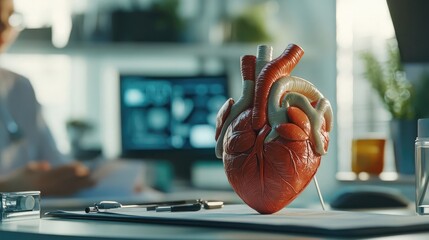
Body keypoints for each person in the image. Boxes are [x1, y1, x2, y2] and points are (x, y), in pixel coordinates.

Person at [0, 0, 94, 196]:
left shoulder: (19, 87)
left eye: (10, 16)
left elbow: (54, 160)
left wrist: (90, 174)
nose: (4, 24)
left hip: (31, 222)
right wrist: (9, 187)